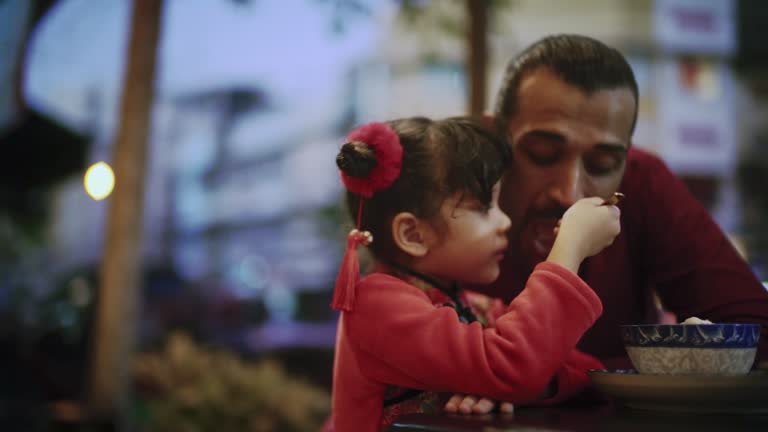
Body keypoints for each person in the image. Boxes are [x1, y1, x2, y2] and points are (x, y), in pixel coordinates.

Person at [484, 34, 768, 368]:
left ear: (625, 157)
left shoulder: (642, 180)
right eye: (542, 154)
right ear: (494, 139)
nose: (571, 193)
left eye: (602, 164)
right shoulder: (443, 192)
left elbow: (755, 332)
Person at [325, 116, 621, 431]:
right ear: (412, 234)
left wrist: (520, 388)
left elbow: (588, 373)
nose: (504, 221)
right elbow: (514, 364)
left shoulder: (475, 307)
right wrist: (569, 249)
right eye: (484, 207)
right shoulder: (376, 307)